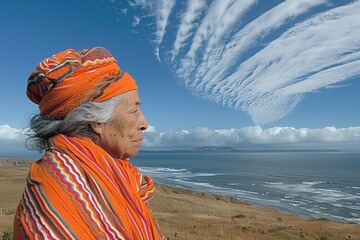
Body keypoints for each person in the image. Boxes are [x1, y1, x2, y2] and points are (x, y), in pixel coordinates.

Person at [12, 47, 165, 239]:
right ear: (96, 120)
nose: (144, 124)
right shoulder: (57, 193)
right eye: (135, 110)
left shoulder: (118, 174)